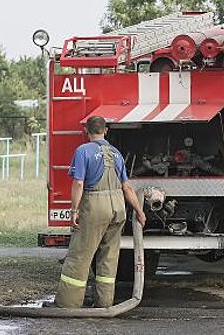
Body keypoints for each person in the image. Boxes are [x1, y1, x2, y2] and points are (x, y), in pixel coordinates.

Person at [54, 115, 146, 308]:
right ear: (106, 130)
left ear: (86, 131)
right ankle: (104, 303)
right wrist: (139, 211)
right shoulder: (116, 153)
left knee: (80, 255)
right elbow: (127, 187)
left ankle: (67, 304)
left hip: (95, 206)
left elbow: (79, 182)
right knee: (109, 258)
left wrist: (73, 211)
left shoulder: (83, 151)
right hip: (118, 208)